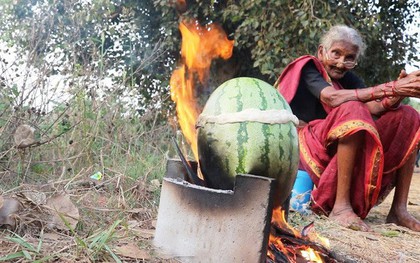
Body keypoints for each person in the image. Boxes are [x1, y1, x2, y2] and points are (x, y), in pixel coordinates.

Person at [276, 25, 420, 232]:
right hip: (302, 141)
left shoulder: (348, 79)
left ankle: (399, 210)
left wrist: (398, 92)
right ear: (321, 52)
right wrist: (389, 88)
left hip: (336, 144)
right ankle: (340, 208)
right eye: (336, 53)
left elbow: (373, 108)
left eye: (349, 58)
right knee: (351, 107)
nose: (342, 63)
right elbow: (331, 97)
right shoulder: (310, 67)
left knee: (408, 116)